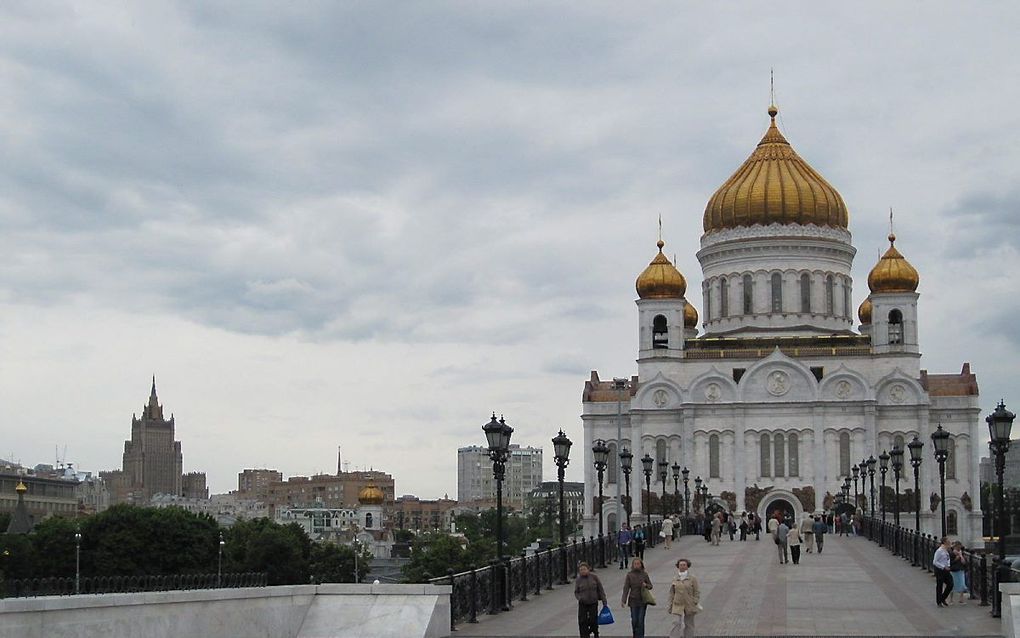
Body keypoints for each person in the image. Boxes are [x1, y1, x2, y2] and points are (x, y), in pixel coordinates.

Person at [621, 557, 653, 638]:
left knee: (640, 620)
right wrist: (623, 600)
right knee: (634, 620)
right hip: (633, 600)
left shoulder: (644, 574)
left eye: (638, 564)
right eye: (635, 564)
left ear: (641, 565)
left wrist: (646, 585)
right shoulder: (629, 575)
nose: (636, 565)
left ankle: (641, 636)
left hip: (642, 600)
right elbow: (626, 588)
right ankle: (635, 635)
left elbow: (650, 586)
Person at [668, 558, 700, 638]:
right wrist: (670, 604)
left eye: (684, 565)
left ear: (687, 566)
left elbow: (696, 591)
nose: (682, 566)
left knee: (689, 623)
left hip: (689, 603)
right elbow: (672, 592)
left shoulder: (692, 578)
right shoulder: (675, 578)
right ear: (678, 566)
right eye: (680, 565)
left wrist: (695, 601)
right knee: (676, 622)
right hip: (677, 603)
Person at [575, 561, 608, 637]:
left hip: (593, 602)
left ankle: (595, 632)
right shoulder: (578, 580)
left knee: (593, 620)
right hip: (583, 603)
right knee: (582, 621)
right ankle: (584, 635)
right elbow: (576, 592)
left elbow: (600, 589)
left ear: (588, 569)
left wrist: (604, 600)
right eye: (581, 570)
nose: (583, 571)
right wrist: (580, 598)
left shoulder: (594, 577)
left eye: (584, 569)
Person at [933, 537, 953, 607]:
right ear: (944, 542)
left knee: (950, 584)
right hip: (940, 570)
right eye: (948, 541)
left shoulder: (946, 550)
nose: (949, 542)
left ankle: (943, 598)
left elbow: (947, 559)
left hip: (946, 570)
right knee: (939, 585)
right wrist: (943, 567)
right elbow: (935, 562)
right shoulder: (939, 551)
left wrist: (948, 565)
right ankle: (939, 601)